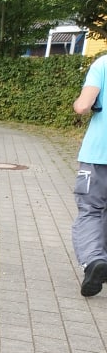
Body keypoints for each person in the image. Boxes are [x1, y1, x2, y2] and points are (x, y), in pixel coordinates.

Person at [73, 52, 107, 296]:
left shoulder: (103, 64)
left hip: (98, 155)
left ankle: (94, 261)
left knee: (90, 210)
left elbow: (84, 105)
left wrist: (80, 105)